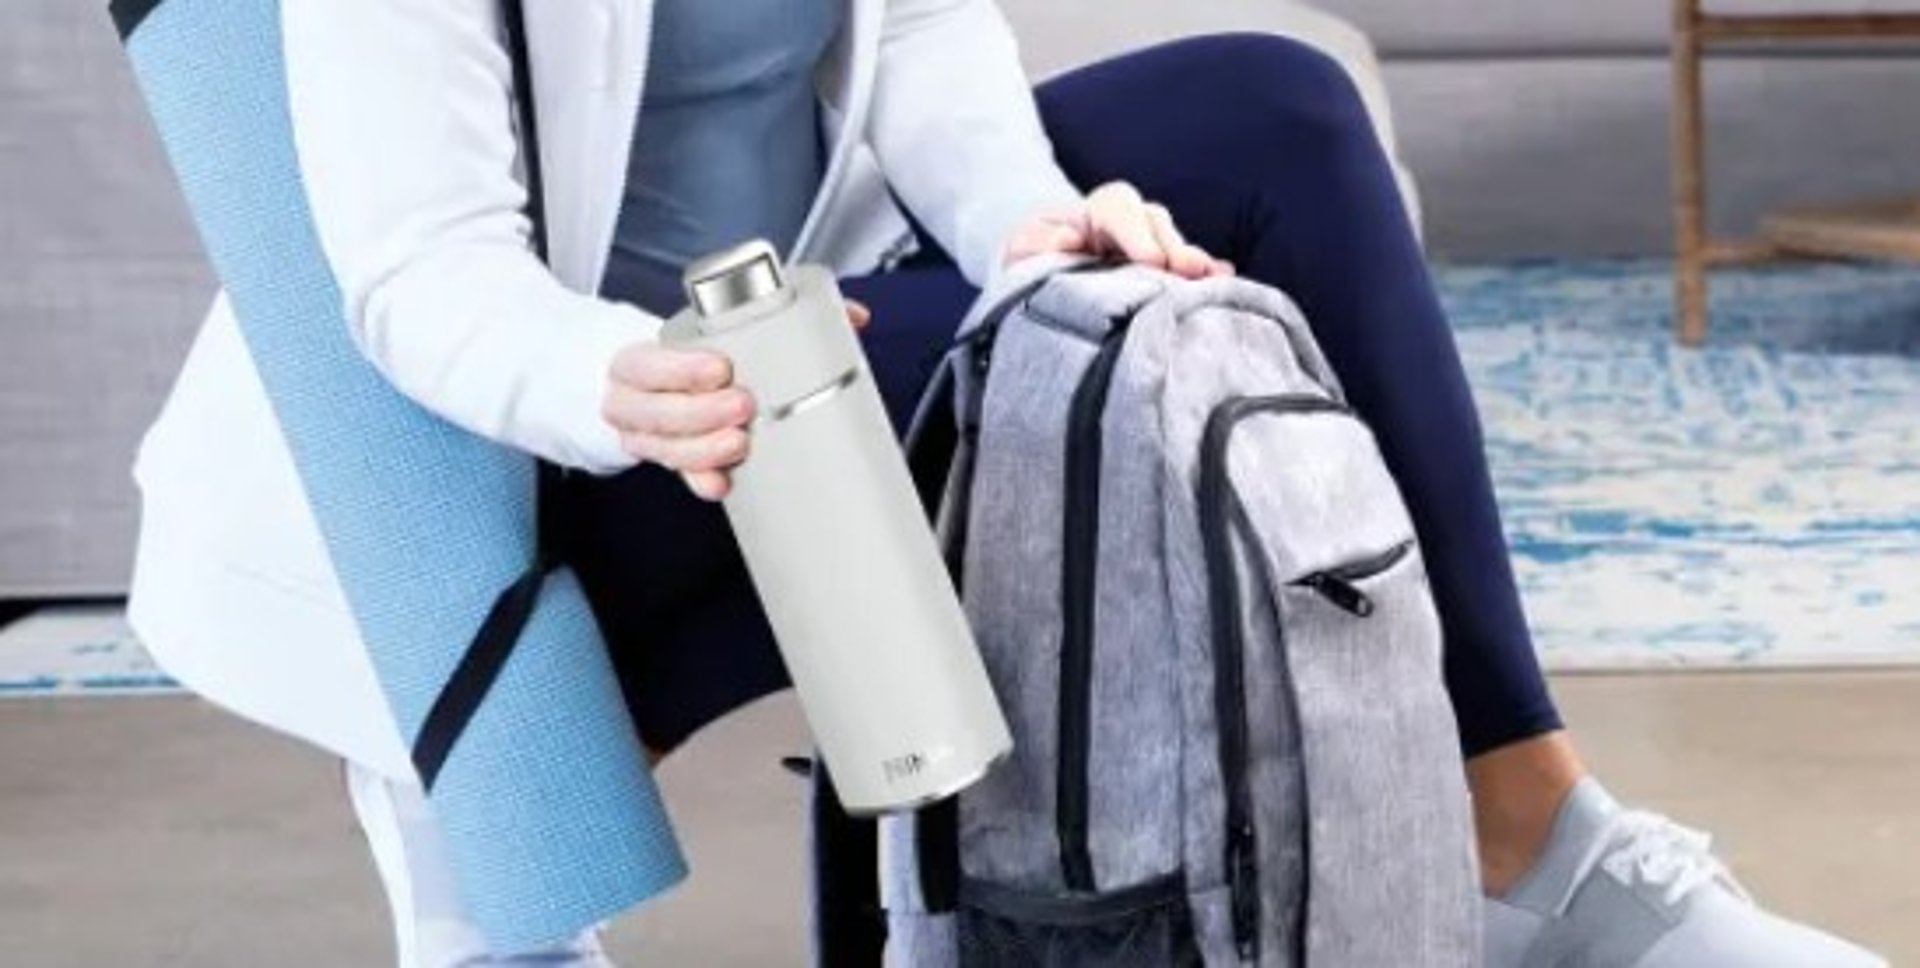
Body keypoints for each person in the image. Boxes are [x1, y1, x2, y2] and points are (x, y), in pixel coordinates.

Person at [126, 1, 1884, 966]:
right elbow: (416, 274)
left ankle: (1546, 859)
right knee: (1000, 375)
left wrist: (1039, 232)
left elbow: (922, 58)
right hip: (571, 432)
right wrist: (618, 386)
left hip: (813, 322)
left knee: (1269, 120)